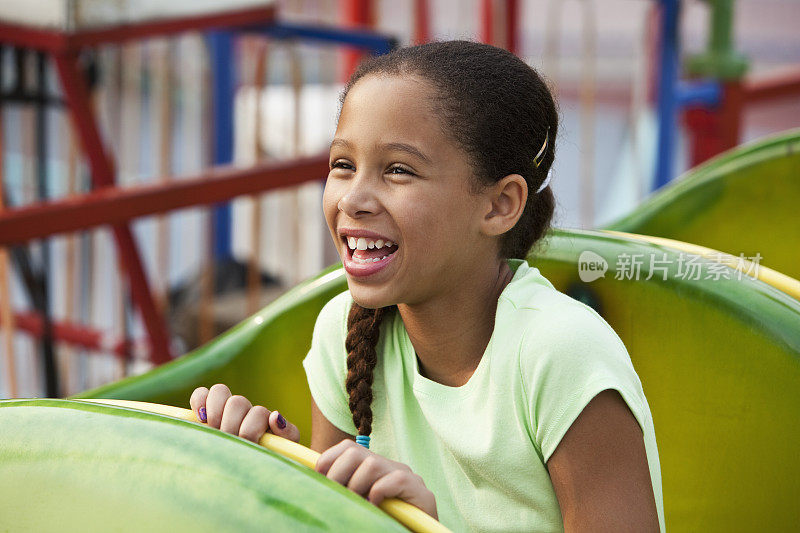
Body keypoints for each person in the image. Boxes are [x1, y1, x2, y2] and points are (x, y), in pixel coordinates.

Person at [189, 40, 664, 532]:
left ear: (500, 205)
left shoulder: (561, 356)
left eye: (398, 170)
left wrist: (421, 524)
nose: (353, 198)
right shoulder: (343, 330)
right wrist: (270, 462)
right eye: (343, 165)